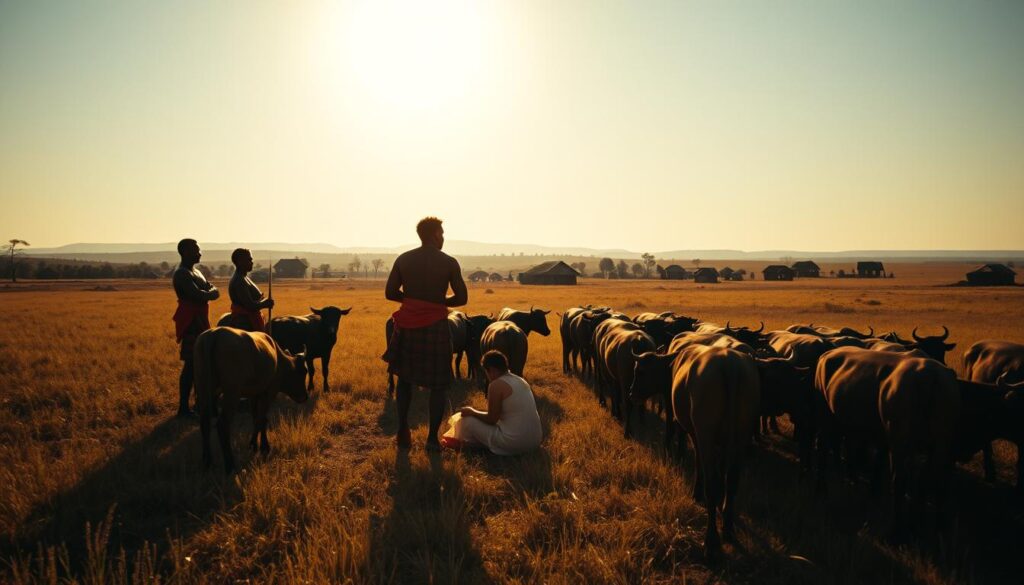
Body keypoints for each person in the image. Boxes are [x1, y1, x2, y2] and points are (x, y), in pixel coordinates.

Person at [382, 216, 468, 450]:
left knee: (404, 379)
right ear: (433, 235)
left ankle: (402, 432)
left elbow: (390, 292)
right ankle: (431, 439)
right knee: (438, 385)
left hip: (407, 324)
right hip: (436, 326)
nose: (443, 237)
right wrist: (437, 300)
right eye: (441, 233)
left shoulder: (404, 259)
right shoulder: (449, 262)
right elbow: (462, 298)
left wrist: (413, 300)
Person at [441, 350, 543, 455]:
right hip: (535, 441)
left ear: (491, 370)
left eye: (486, 372)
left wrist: (472, 412)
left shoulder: (496, 384)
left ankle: (468, 446)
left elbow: (491, 419)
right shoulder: (520, 380)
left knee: (465, 421)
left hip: (515, 443)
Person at [172, 238, 220, 418]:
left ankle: (201, 402)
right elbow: (200, 295)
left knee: (203, 363)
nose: (200, 253)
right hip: (191, 322)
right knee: (191, 365)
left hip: (200, 320)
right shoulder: (182, 274)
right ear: (185, 252)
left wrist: (210, 293)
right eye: (196, 250)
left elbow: (211, 291)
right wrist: (211, 293)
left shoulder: (196, 272)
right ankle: (183, 408)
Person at [227, 248, 273, 331]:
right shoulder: (239, 281)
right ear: (240, 261)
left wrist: (264, 301)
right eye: (249, 259)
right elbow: (250, 306)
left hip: (250, 319)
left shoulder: (244, 277)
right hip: (245, 323)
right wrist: (265, 303)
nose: (252, 262)